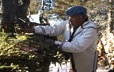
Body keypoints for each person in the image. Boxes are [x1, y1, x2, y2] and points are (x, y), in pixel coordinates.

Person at [23, 6, 98, 72]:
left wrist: (55, 43)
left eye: (73, 17)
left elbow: (78, 47)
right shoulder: (67, 23)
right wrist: (34, 29)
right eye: (69, 16)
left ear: (82, 17)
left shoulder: (90, 29)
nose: (70, 19)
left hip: (85, 66)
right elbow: (53, 30)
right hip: (71, 63)